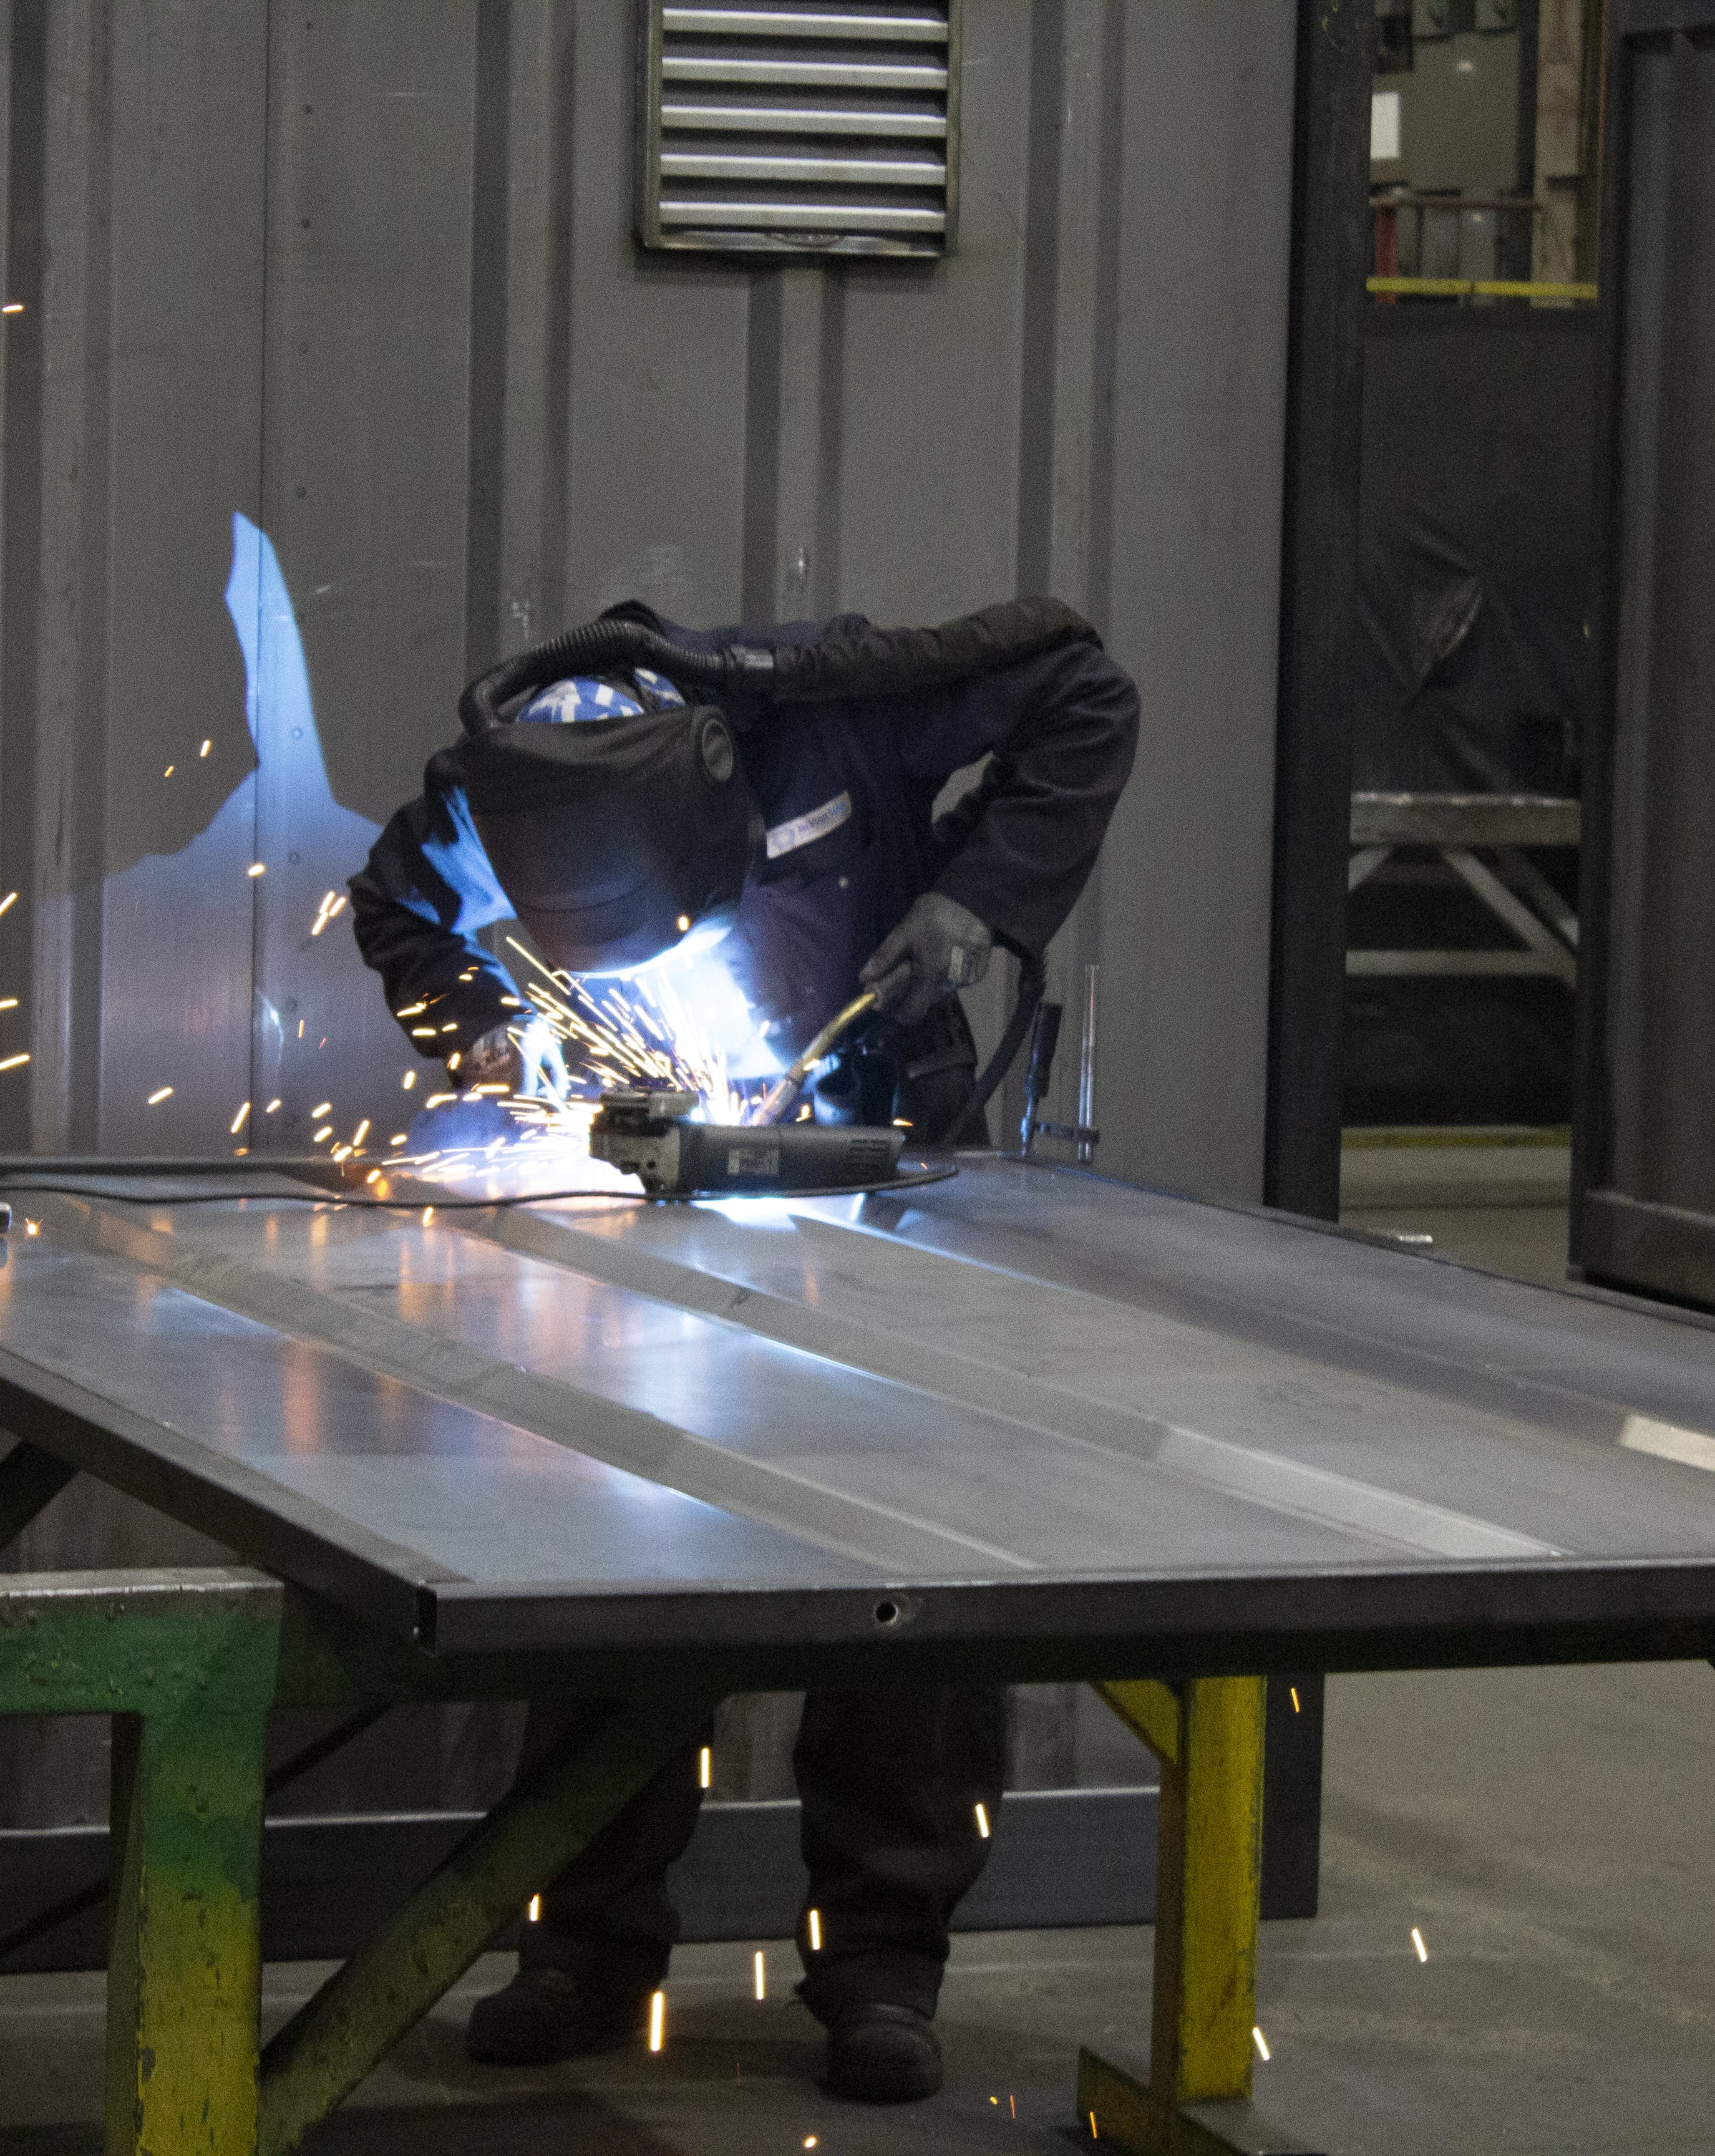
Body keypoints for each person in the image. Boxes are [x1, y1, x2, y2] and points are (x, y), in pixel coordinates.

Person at [344, 596, 1141, 2104]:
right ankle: (583, 1950)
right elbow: (395, 912)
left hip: (883, 1165)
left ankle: (883, 1969)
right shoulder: (496, 788)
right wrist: (529, 1066)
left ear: (716, 770)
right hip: (653, 1213)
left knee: (898, 1576)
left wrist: (974, 907)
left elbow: (1084, 696)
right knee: (615, 1568)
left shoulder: (830, 716)